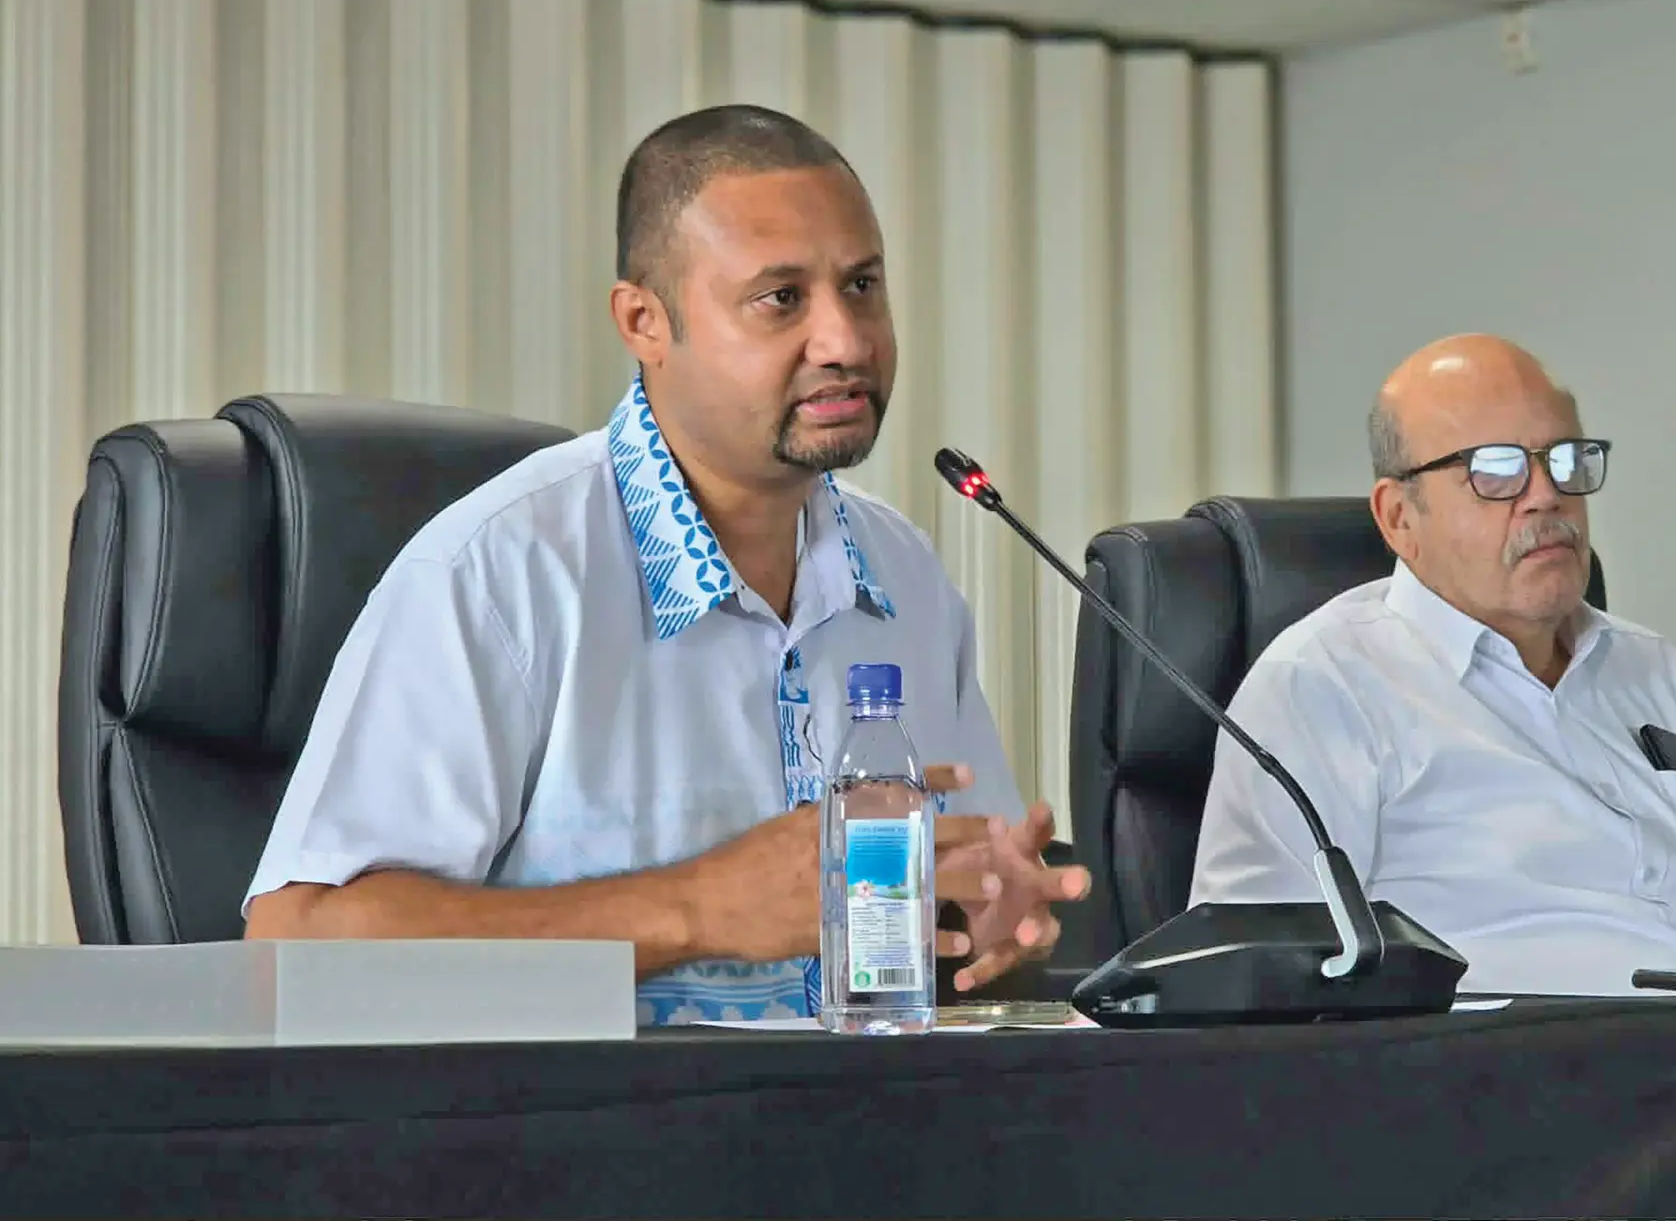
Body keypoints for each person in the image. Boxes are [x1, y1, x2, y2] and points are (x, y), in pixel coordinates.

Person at [245, 104, 1088, 1024]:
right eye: (781, 298)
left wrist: (989, 920)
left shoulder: (906, 576)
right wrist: (695, 909)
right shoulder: (501, 570)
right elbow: (299, 940)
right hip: (580, 1144)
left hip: (870, 1138)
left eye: (862, 284)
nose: (845, 340)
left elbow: (966, 916)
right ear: (645, 320)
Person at [1189, 333, 1676, 995]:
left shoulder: (1660, 671)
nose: (1546, 494)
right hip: (1530, 1080)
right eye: (1495, 469)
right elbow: (1258, 982)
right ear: (1399, 517)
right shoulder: (1321, 685)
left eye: (1565, 459)